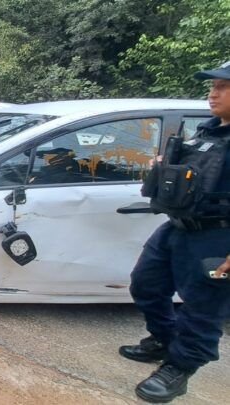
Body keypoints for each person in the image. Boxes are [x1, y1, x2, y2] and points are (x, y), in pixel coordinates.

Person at [121, 61, 230, 403]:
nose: (214, 93)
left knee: (202, 309)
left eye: (224, 87)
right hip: (177, 228)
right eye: (213, 86)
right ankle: (164, 340)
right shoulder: (208, 132)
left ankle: (179, 369)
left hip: (218, 236)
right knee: (145, 284)